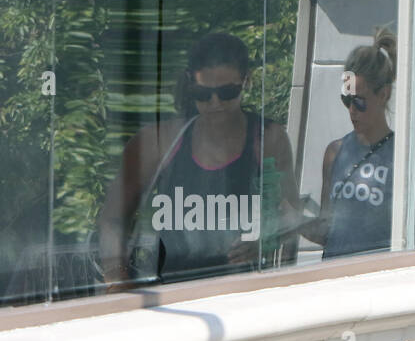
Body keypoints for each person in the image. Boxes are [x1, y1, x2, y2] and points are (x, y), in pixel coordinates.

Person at [97, 32, 301, 287]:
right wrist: (117, 282)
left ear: (246, 81)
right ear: (189, 83)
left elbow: (292, 218)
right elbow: (112, 220)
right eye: (202, 94)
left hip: (241, 299)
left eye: (227, 92)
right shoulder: (158, 141)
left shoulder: (268, 138)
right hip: (170, 297)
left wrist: (265, 240)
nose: (215, 103)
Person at [302, 28, 397, 260]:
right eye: (347, 100)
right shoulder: (335, 153)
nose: (352, 110)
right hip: (335, 278)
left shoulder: (400, 157)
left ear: (383, 94)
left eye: (360, 101)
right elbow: (326, 231)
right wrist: (292, 220)